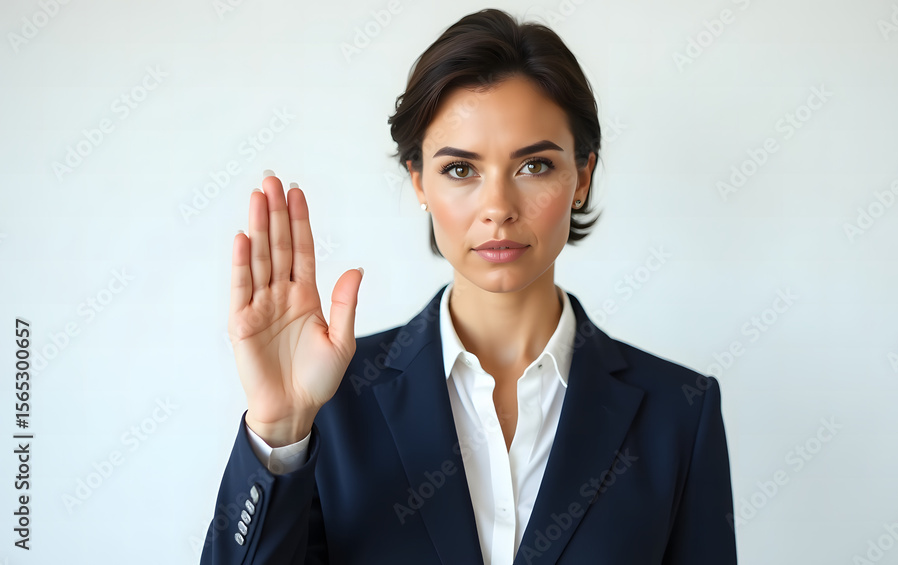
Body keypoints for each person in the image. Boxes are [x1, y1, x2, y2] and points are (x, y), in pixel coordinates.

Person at [200, 8, 737, 564]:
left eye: (534, 166)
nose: (498, 208)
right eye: (461, 169)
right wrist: (279, 431)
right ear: (419, 182)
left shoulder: (680, 413)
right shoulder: (330, 400)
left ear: (582, 176)